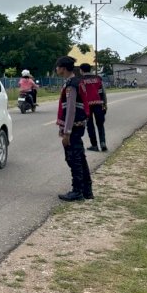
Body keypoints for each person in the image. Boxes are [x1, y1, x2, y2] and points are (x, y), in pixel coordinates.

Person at [55, 56, 93, 202]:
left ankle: (77, 190)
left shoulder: (71, 85)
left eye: (57, 67)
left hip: (74, 127)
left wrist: (67, 133)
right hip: (78, 125)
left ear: (63, 68)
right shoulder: (76, 81)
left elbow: (70, 110)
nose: (56, 69)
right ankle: (87, 189)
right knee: (80, 157)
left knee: (73, 158)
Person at [79, 63, 108, 152]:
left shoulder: (80, 80)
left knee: (90, 125)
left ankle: (94, 145)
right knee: (100, 124)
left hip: (86, 106)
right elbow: (103, 91)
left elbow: (80, 94)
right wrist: (105, 103)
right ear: (90, 69)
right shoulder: (98, 78)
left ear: (81, 70)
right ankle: (103, 143)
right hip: (99, 104)